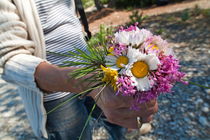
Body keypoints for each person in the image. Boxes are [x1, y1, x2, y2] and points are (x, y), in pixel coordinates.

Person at [0, 0, 158, 139]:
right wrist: (87, 82)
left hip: (92, 69)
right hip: (53, 93)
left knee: (118, 120)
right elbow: (9, 59)